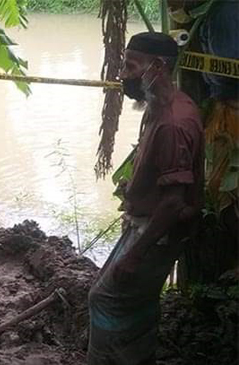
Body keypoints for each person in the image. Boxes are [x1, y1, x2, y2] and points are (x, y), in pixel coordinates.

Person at [87, 32, 204, 365]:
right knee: (137, 299)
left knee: (105, 299)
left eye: (130, 65)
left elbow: (173, 203)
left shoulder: (172, 122)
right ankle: (140, 355)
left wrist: (136, 255)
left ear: (158, 66)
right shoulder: (163, 105)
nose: (122, 73)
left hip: (156, 232)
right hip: (147, 224)